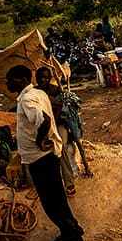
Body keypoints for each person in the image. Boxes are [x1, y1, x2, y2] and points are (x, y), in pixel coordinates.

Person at [6, 65, 84, 241]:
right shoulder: (37, 93)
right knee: (57, 197)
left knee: (52, 201)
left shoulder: (27, 99)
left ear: (22, 80)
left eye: (10, 80)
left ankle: (72, 236)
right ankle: (71, 229)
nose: (7, 84)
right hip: (44, 157)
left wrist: (41, 140)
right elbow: (52, 112)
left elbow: (44, 120)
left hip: (40, 158)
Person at [35, 67, 82, 196]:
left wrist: (53, 124)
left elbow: (59, 107)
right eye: (40, 77)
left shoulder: (55, 91)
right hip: (41, 125)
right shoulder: (34, 92)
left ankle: (69, 182)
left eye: (45, 77)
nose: (42, 80)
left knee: (60, 146)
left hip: (58, 124)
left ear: (50, 78)